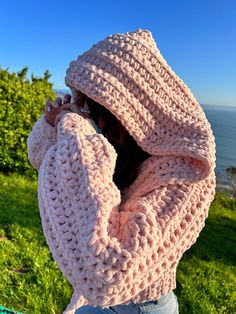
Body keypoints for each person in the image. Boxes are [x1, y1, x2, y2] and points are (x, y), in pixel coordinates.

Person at [27, 29, 216, 314]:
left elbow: (108, 274)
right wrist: (53, 125)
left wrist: (79, 135)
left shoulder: (186, 174)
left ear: (121, 110)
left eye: (84, 103)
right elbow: (41, 159)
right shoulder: (125, 150)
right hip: (97, 303)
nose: (78, 110)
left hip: (140, 306)